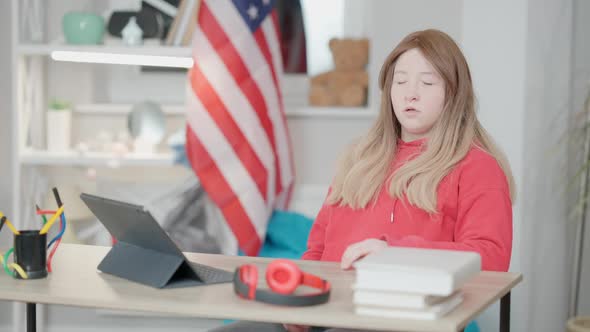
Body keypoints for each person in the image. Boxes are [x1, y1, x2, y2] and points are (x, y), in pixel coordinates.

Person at [212, 28, 515, 332]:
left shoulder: (478, 167)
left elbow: (491, 260)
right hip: (325, 313)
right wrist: (299, 303)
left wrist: (396, 254)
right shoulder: (359, 158)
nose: (411, 92)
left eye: (427, 81)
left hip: (402, 321)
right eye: (400, 81)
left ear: (454, 92)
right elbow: (317, 250)